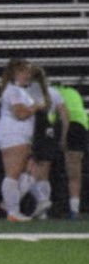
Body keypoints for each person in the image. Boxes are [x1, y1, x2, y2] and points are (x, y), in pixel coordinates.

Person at [0, 59, 44, 221]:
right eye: (23, 71)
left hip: (20, 136)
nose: (27, 75)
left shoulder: (21, 91)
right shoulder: (13, 90)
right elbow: (21, 114)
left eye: (29, 71)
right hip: (12, 134)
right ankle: (13, 211)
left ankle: (8, 204)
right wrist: (36, 106)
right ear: (14, 73)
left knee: (31, 172)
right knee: (13, 174)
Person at [24, 64, 67, 218]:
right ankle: (43, 210)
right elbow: (64, 116)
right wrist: (63, 136)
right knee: (44, 174)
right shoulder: (54, 92)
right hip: (49, 134)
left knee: (27, 171)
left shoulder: (27, 93)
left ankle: (42, 201)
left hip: (35, 134)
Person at [54, 82, 86, 218]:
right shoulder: (73, 93)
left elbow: (57, 115)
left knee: (67, 172)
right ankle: (74, 209)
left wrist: (63, 136)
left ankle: (67, 209)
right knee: (75, 173)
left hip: (67, 127)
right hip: (81, 128)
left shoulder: (53, 92)